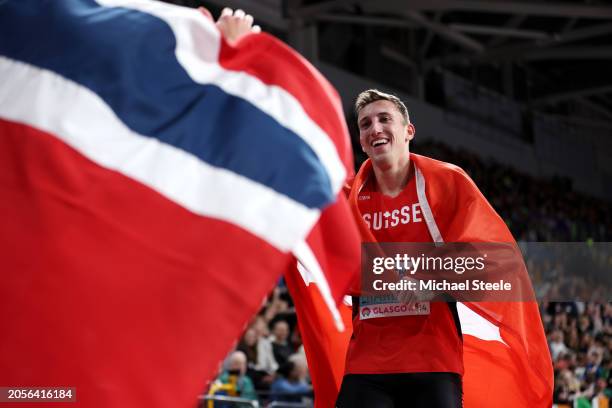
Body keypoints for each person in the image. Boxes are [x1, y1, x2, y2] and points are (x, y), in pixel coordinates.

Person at [335, 89, 464, 408]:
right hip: (367, 363)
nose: (374, 128)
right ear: (362, 141)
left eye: (384, 119)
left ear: (409, 131)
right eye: (365, 124)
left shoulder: (448, 183)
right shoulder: (346, 196)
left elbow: (490, 260)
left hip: (432, 360)